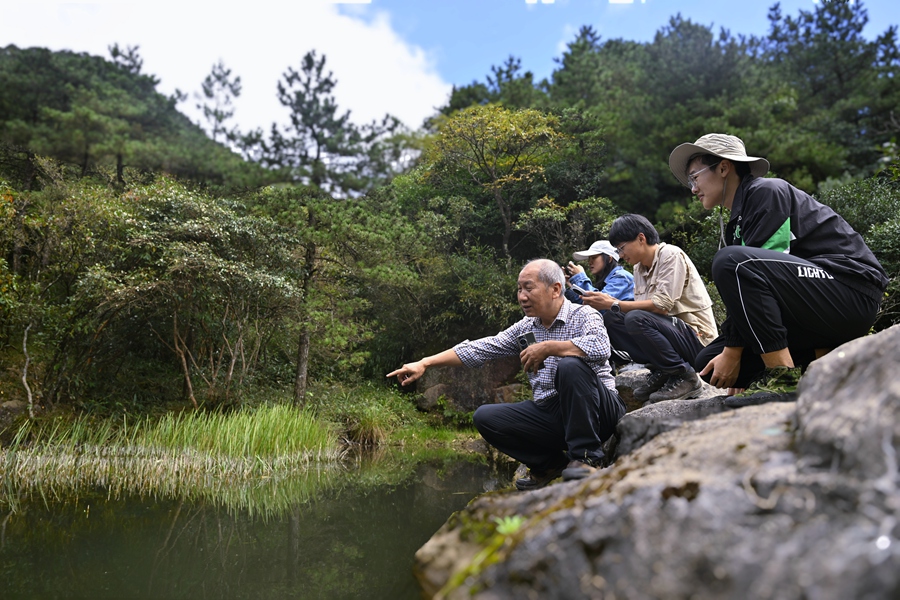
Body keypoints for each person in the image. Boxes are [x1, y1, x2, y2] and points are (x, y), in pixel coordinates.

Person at [668, 133, 889, 401]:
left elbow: (750, 268)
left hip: (850, 291)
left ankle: (782, 377)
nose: (693, 189)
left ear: (724, 167)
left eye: (695, 177)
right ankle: (823, 358)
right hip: (815, 303)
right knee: (708, 360)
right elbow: (756, 292)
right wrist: (733, 355)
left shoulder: (766, 192)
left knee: (731, 261)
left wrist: (735, 349)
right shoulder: (739, 221)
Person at [387, 259, 625, 491]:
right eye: (519, 289)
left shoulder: (584, 315)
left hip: (598, 410)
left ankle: (587, 459)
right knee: (486, 418)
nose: (522, 296)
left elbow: (600, 347)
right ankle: (550, 465)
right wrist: (425, 363)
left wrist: (550, 347)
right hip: (554, 414)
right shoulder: (526, 328)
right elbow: (479, 348)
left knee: (570, 366)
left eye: (529, 288)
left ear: (555, 289)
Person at [579, 215, 718, 404]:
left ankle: (685, 376)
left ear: (641, 238)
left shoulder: (670, 254)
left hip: (697, 338)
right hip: (671, 336)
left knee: (632, 316)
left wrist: (612, 303)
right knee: (612, 320)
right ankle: (663, 369)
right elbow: (644, 310)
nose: (620, 255)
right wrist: (609, 304)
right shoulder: (638, 269)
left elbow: (661, 306)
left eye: (621, 248)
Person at [563, 240, 635, 307]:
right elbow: (585, 305)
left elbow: (599, 303)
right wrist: (573, 286)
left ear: (609, 259)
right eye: (589, 258)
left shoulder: (621, 277)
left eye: (594, 258)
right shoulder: (606, 280)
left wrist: (580, 277)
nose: (590, 262)